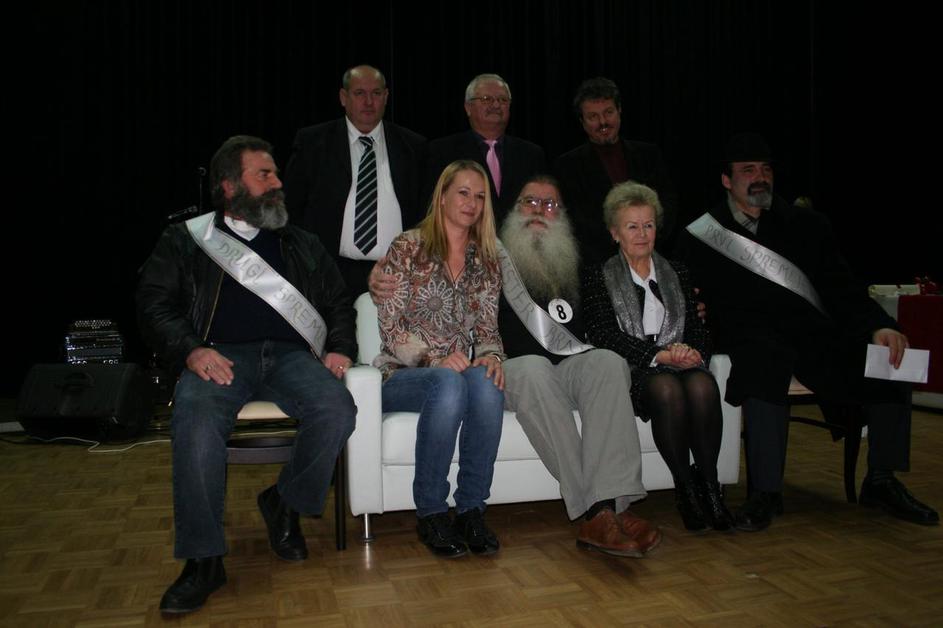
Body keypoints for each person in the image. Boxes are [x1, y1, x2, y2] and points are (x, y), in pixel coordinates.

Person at [137, 135, 357, 614]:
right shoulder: (185, 240)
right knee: (195, 422)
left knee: (337, 409)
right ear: (229, 186)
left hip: (291, 357)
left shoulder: (301, 243)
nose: (278, 183)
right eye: (265, 175)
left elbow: (338, 302)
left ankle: (284, 502)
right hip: (219, 357)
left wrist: (340, 348)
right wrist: (191, 350)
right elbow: (153, 304)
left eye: (275, 173)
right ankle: (203, 560)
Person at [676, 132, 939, 530]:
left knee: (890, 355)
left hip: (812, 336)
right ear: (727, 180)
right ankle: (765, 493)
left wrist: (880, 326)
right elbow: (686, 294)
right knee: (764, 362)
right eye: (748, 170)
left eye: (766, 169)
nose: (759, 177)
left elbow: (842, 287)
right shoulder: (700, 236)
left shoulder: (807, 225)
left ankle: (881, 479)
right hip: (748, 336)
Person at [496, 175, 662, 556]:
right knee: (535, 368)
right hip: (515, 368)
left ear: (563, 215)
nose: (540, 211)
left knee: (607, 362)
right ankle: (600, 509)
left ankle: (611, 504)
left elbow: (610, 316)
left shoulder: (577, 260)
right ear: (514, 209)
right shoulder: (492, 259)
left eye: (550, 204)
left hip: (569, 366)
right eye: (530, 202)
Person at [582, 181, 734, 533]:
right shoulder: (597, 275)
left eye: (648, 225)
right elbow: (604, 334)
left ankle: (710, 486)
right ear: (615, 233)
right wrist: (659, 355)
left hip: (680, 363)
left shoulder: (676, 271)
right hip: (635, 370)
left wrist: (692, 352)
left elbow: (697, 328)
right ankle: (685, 488)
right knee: (666, 388)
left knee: (702, 385)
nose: (642, 234)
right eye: (632, 226)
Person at [375, 160, 506, 558]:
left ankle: (471, 510)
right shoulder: (408, 247)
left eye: (479, 196)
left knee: (487, 382)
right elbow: (391, 329)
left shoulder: (486, 259)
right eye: (463, 193)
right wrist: (434, 358)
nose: (471, 203)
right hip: (401, 374)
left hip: (455, 374)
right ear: (443, 196)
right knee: (448, 381)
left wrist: (492, 357)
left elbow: (487, 329)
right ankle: (431, 511)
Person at [284, 64, 427, 295]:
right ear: (343, 97)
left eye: (376, 93)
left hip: (397, 274)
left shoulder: (414, 147)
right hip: (329, 273)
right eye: (359, 93)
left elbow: (425, 212)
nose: (369, 102)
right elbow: (292, 208)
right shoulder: (313, 143)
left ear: (386, 97)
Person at [553, 77, 678, 261]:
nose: (603, 122)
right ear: (582, 122)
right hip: (598, 263)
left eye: (608, 112)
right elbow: (575, 221)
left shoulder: (649, 155)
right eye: (593, 117)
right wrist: (623, 241)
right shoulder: (567, 166)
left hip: (652, 256)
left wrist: (644, 241)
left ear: (619, 111)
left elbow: (668, 204)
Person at [425, 73, 546, 222]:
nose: (496, 105)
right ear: (468, 108)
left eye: (502, 100)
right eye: (486, 99)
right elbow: (431, 207)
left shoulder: (531, 154)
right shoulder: (442, 151)